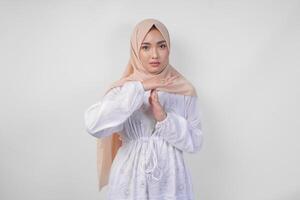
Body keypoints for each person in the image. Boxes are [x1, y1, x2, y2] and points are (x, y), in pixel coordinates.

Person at [84, 18, 203, 200]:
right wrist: (140, 87)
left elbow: (195, 142)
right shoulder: (124, 89)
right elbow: (94, 125)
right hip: (130, 178)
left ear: (168, 48)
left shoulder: (183, 90)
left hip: (171, 178)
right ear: (135, 50)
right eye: (145, 47)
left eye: (161, 46)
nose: (154, 55)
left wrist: (164, 118)